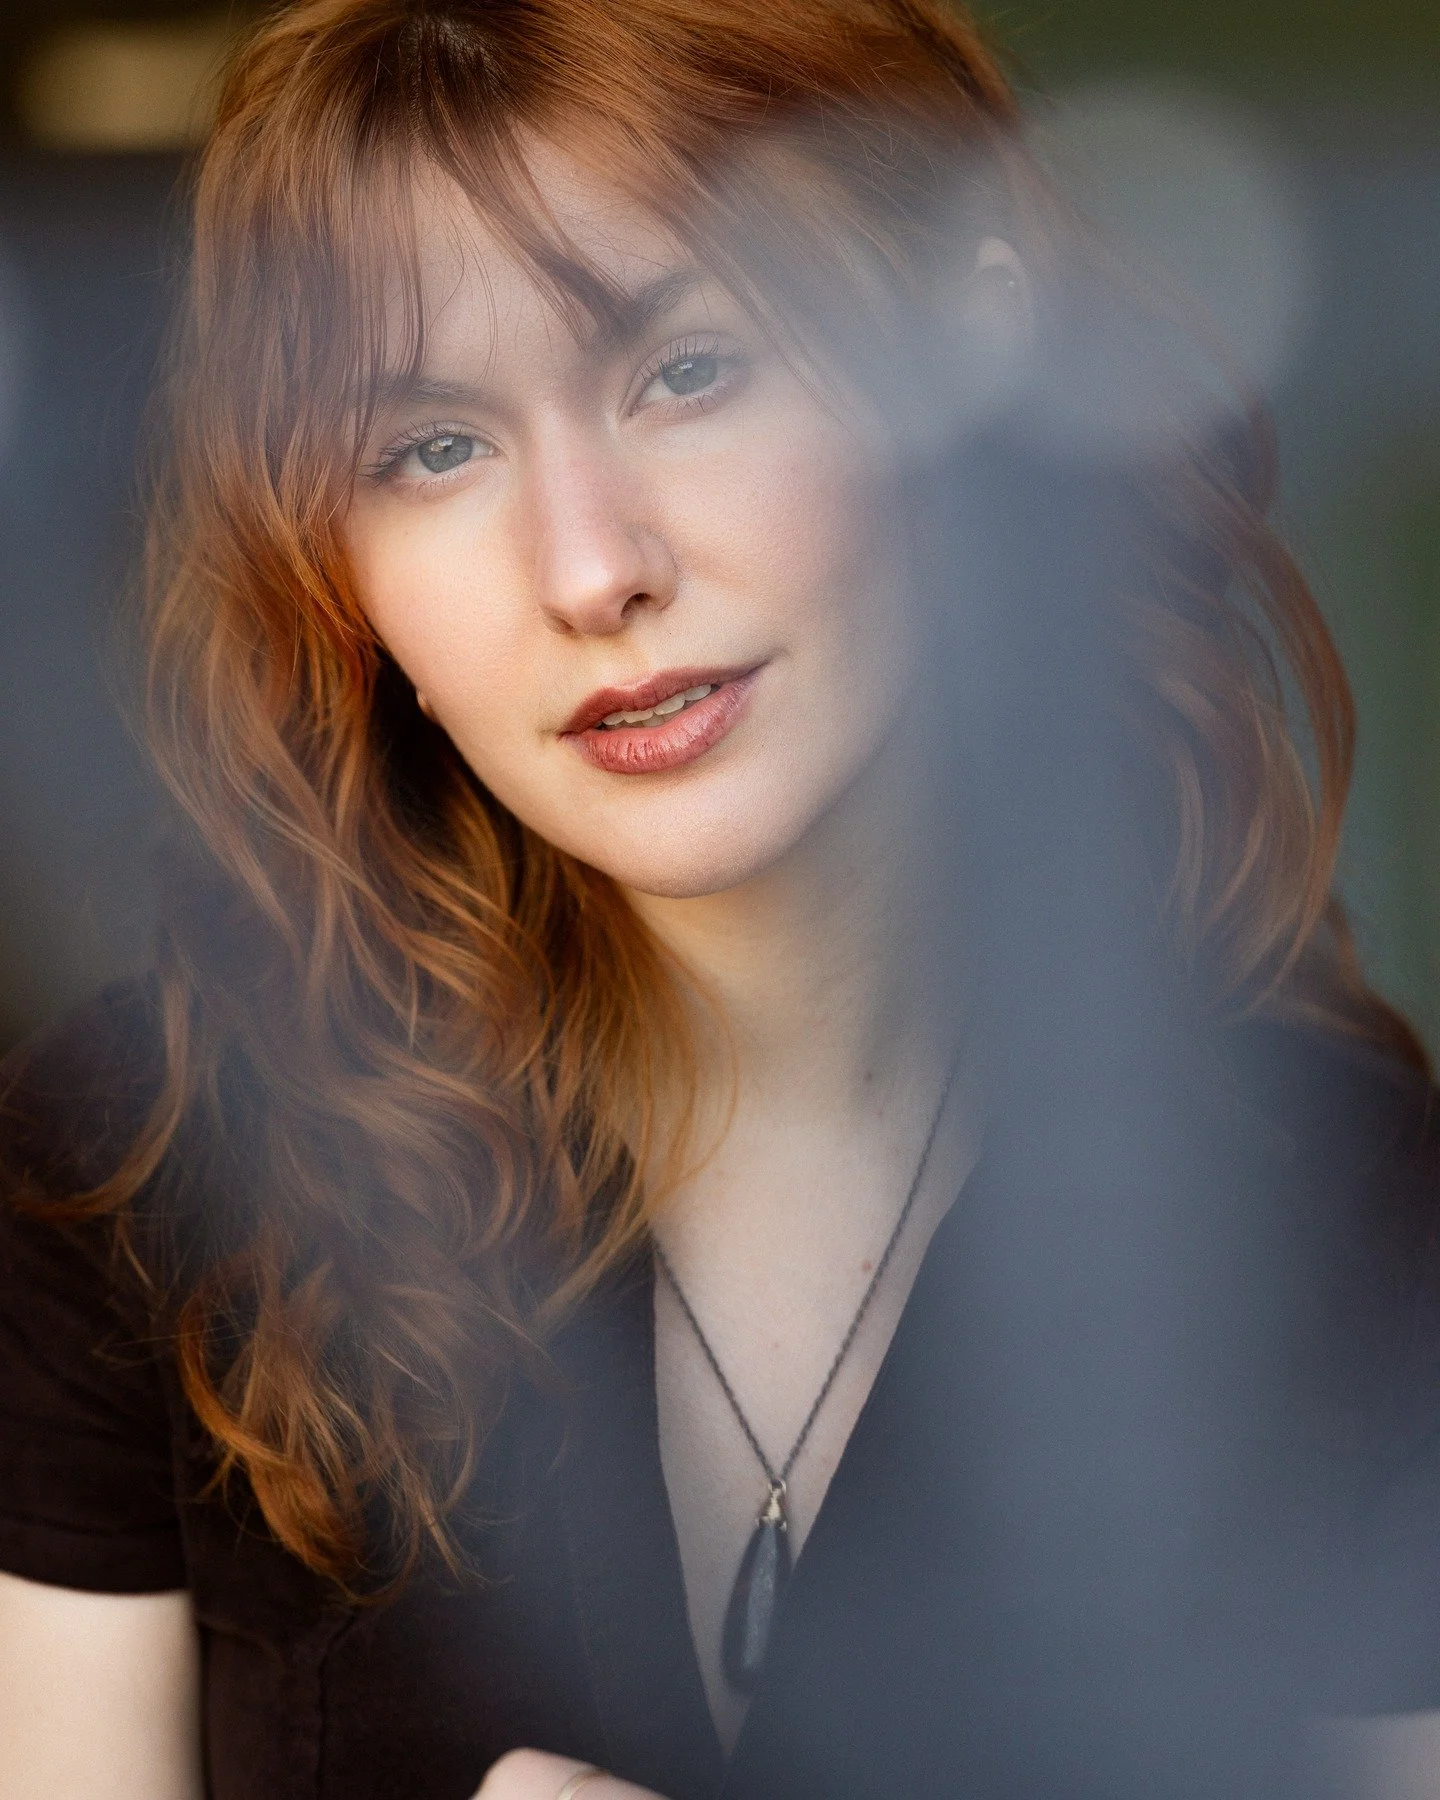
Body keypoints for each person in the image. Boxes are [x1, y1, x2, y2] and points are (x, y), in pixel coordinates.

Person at [1, 2, 1438, 1797]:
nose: (593, 567)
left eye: (687, 369)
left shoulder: (1355, 1213)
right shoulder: (147, 1158)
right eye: (429, 448)